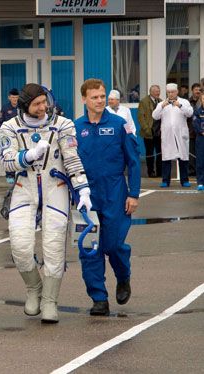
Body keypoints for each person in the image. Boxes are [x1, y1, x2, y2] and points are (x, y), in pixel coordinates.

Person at [0, 83, 91, 323]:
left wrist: (83, 189)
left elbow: (71, 159)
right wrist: (28, 156)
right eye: (37, 104)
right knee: (19, 247)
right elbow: (7, 162)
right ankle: (34, 288)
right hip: (24, 188)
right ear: (25, 106)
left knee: (53, 246)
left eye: (45, 101)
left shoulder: (63, 125)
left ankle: (50, 300)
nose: (43, 107)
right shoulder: (10, 127)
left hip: (55, 188)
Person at [74, 78, 140, 316]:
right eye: (95, 97)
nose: (100, 100)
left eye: (102, 96)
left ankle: (123, 276)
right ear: (84, 100)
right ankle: (99, 298)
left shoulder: (120, 124)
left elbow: (133, 161)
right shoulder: (75, 127)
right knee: (89, 248)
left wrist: (133, 193)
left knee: (113, 245)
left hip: (115, 193)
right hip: (86, 197)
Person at [152, 83, 194, 188]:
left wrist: (180, 106)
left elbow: (190, 113)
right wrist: (162, 106)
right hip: (167, 135)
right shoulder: (161, 103)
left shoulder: (184, 102)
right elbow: (155, 116)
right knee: (166, 157)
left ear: (177, 92)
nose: (170, 94)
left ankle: (184, 180)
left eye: (172, 92)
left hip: (181, 134)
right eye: (168, 92)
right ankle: (165, 180)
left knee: (183, 157)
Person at [137, 85, 162, 178]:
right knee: (150, 153)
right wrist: (147, 129)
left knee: (160, 152)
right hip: (149, 132)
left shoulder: (161, 101)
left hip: (159, 131)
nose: (158, 93)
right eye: (156, 91)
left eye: (158, 91)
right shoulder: (144, 101)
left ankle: (160, 171)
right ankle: (150, 171)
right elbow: (141, 117)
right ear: (151, 92)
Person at [192, 94, 204, 191]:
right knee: (200, 161)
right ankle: (200, 182)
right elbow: (195, 124)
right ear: (201, 99)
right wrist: (201, 131)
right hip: (201, 139)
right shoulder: (197, 111)